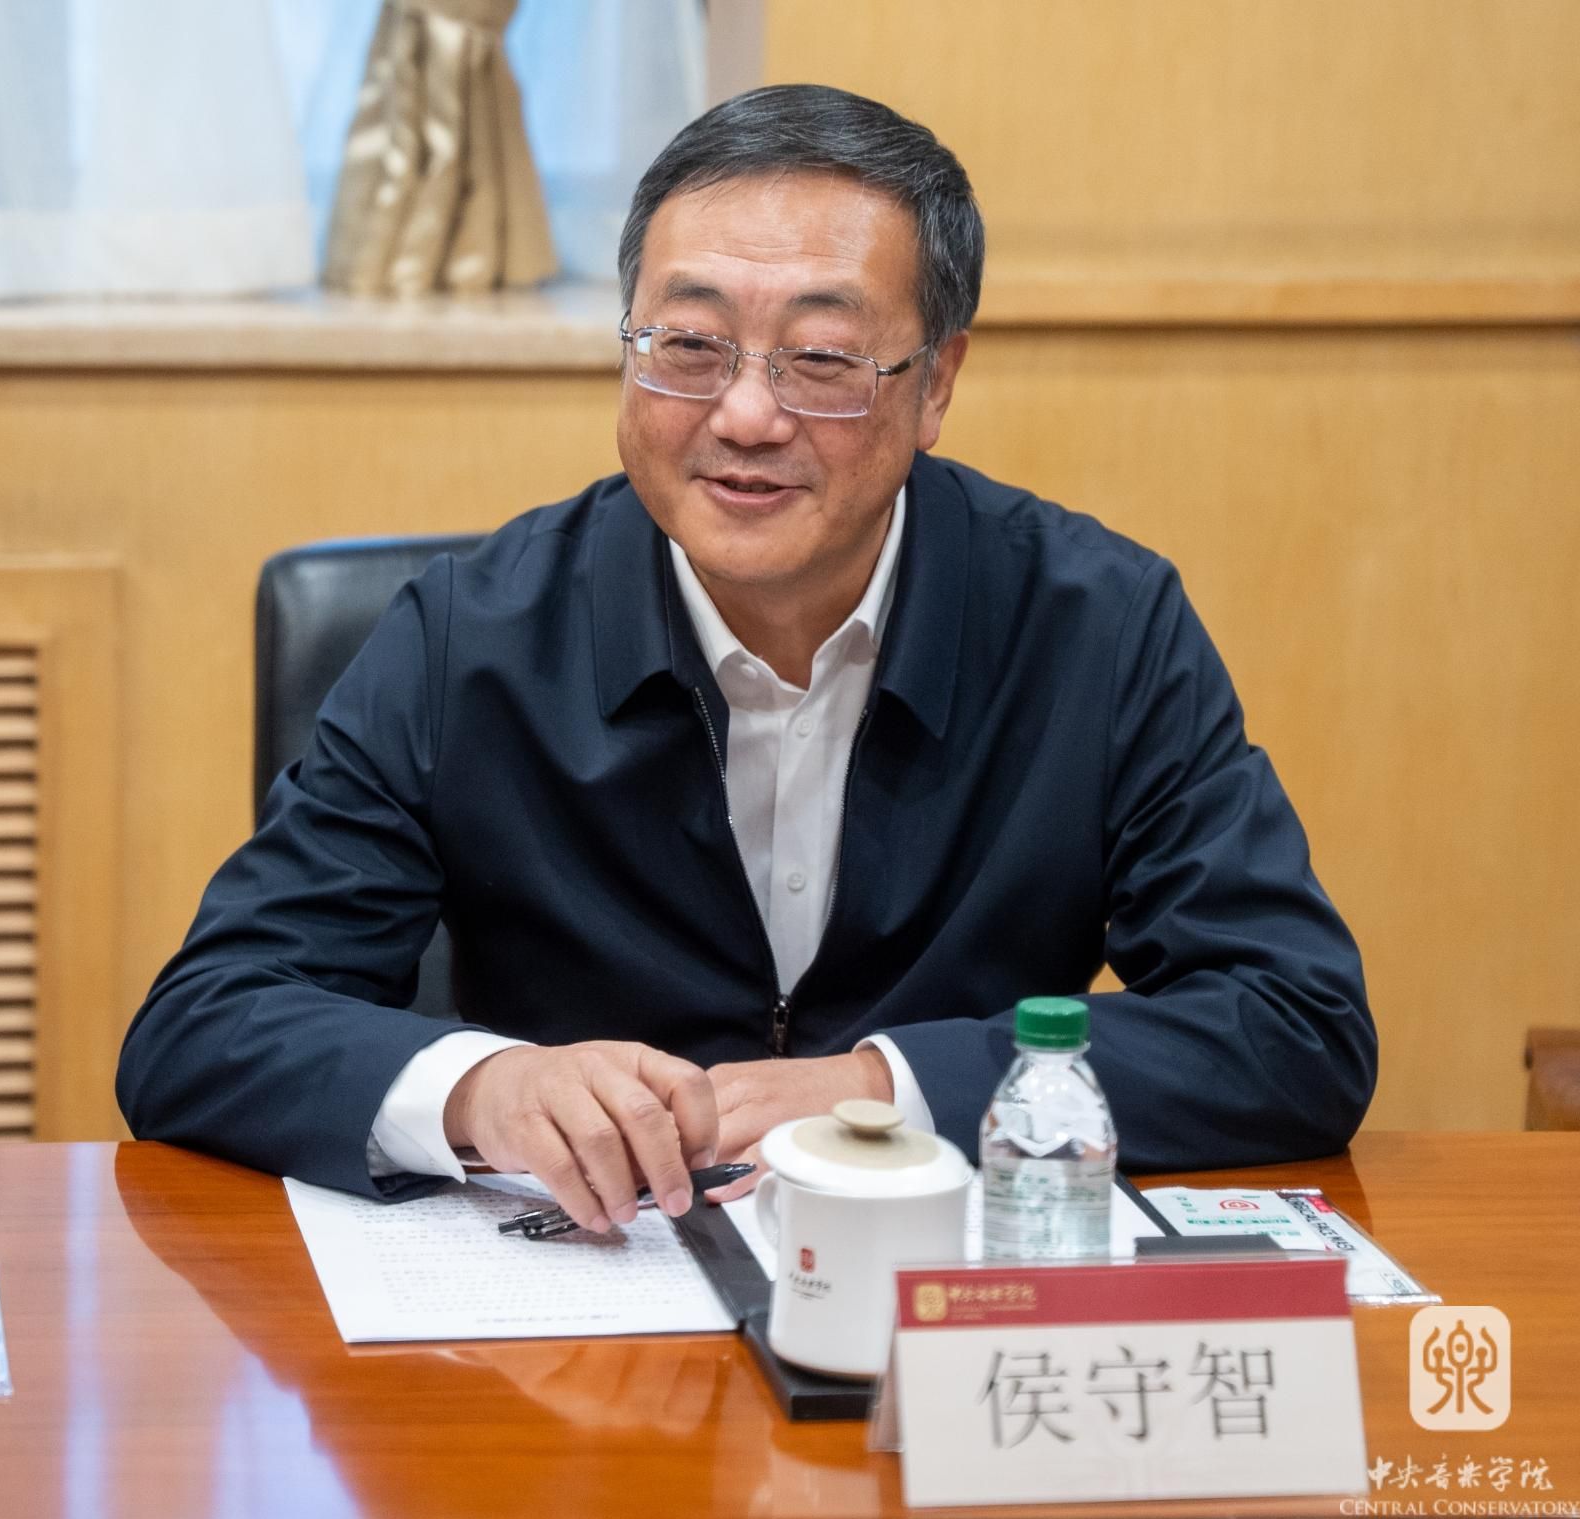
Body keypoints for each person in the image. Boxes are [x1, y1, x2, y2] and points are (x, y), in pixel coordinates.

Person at [117, 85, 1376, 1232]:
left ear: (936, 384)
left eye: (821, 360)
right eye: (689, 346)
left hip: (939, 1312)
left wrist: (882, 1088)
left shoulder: (1096, 625)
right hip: (576, 1312)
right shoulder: (470, 638)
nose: (746, 415)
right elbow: (204, 1023)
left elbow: (1295, 1025)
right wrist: (480, 1088)